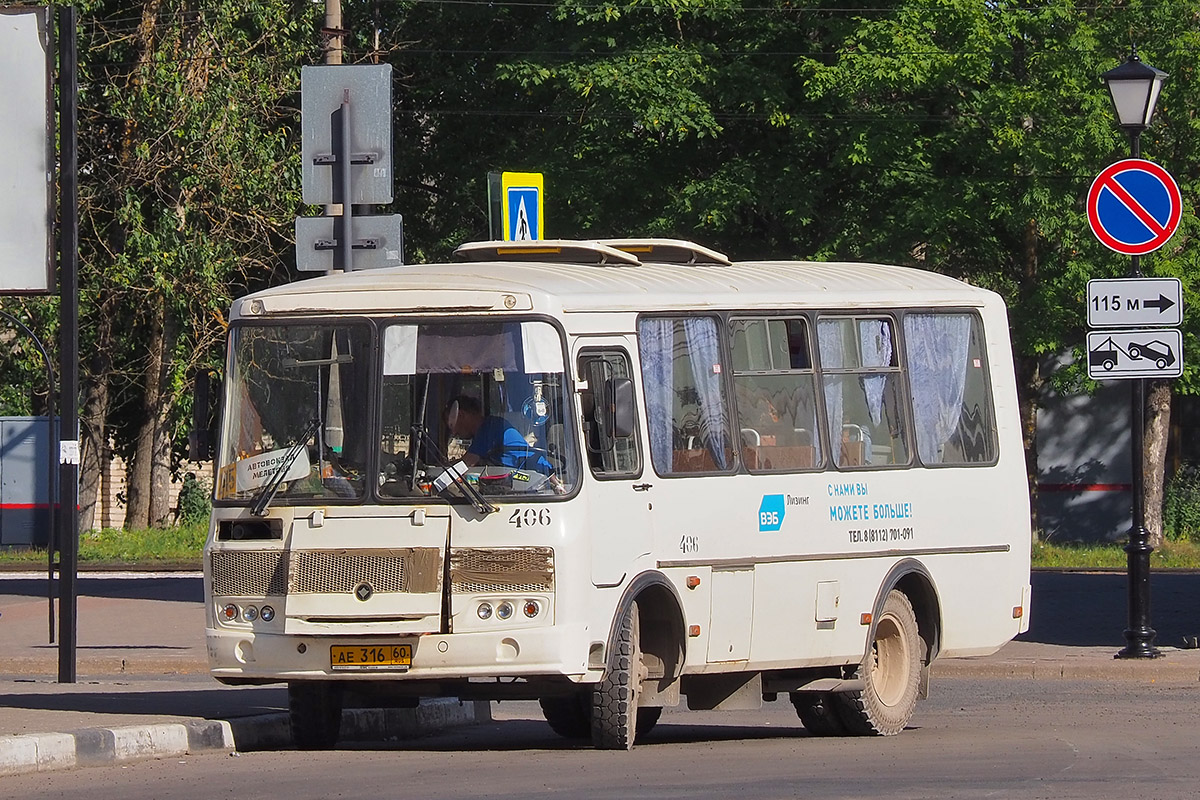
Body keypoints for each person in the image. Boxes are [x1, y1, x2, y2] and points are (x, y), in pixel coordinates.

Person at [445, 395, 553, 474]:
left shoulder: (488, 428)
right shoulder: (490, 425)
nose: (454, 432)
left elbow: (466, 464)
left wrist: (441, 469)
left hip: (535, 475)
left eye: (452, 425)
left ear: (462, 415)